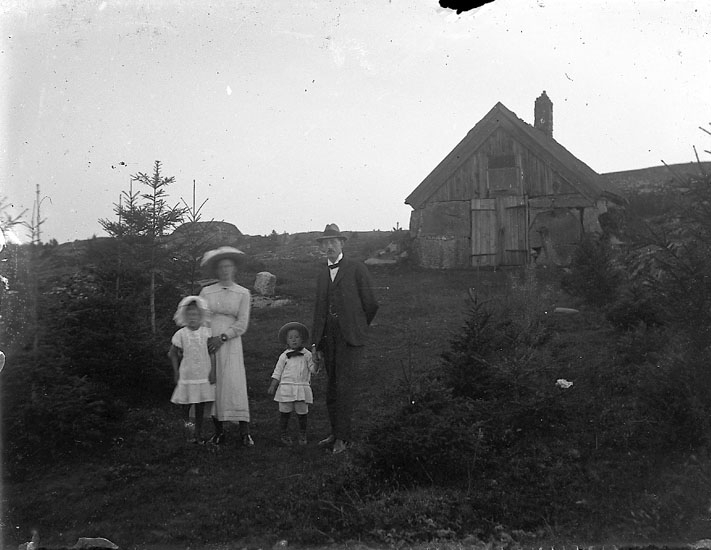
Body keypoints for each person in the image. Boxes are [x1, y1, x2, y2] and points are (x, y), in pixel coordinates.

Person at [311, 224, 379, 454]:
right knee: (331, 387)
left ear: (342, 243)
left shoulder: (356, 268)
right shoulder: (322, 272)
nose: (329, 246)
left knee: (344, 386)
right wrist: (316, 343)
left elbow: (371, 303)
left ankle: (344, 438)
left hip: (349, 338)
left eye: (333, 242)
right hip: (328, 336)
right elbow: (319, 309)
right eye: (325, 243)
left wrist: (356, 326)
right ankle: (335, 432)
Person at [199, 246, 254, 447]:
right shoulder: (206, 292)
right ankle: (219, 431)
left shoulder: (243, 293)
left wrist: (222, 337)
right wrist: (207, 339)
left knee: (234, 383)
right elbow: (202, 318)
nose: (225, 270)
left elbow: (242, 323)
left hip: (230, 343)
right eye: (221, 267)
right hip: (210, 342)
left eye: (228, 266)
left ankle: (244, 432)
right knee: (214, 384)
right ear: (216, 270)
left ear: (234, 269)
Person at [168, 296, 216, 444]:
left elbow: (212, 353)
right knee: (185, 405)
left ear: (200, 316)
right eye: (189, 315)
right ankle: (187, 433)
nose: (192, 318)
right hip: (187, 375)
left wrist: (213, 371)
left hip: (203, 374)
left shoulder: (207, 332)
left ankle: (198, 434)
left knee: (200, 405)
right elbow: (172, 353)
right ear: (184, 316)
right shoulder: (181, 334)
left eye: (195, 314)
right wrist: (176, 371)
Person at [267, 322, 319, 446]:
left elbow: (313, 370)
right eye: (290, 338)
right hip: (286, 388)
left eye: (297, 337)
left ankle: (302, 433)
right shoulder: (284, 356)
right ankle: (284, 433)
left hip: (302, 388)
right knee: (285, 412)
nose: (294, 340)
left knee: (302, 412)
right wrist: (273, 385)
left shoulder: (307, 355)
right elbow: (277, 372)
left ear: (302, 339)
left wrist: (316, 361)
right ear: (287, 341)